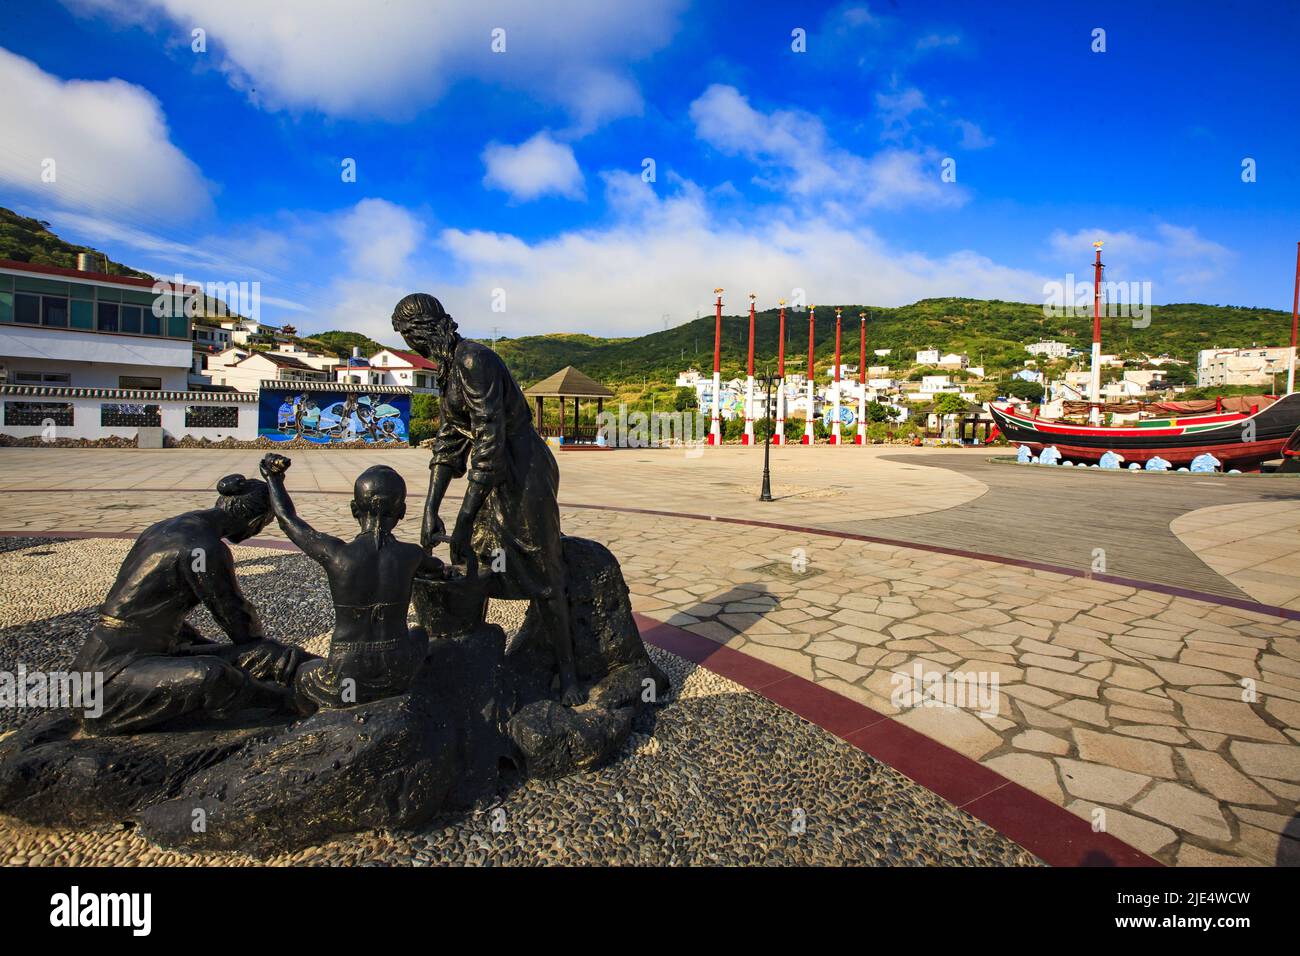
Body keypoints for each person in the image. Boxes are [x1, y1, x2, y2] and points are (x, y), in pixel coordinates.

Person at [391, 292, 586, 705]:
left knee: (542, 568)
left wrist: (463, 518)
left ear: (426, 328)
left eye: (410, 335)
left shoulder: (472, 360)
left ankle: (568, 671)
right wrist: (430, 509)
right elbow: (448, 443)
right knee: (471, 563)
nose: (411, 345)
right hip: (491, 475)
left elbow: (489, 440)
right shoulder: (446, 370)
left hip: (523, 469)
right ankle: (474, 663)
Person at [72, 474, 308, 735]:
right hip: (110, 675)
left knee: (264, 654)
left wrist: (202, 642)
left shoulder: (164, 527)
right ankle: (293, 701)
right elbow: (239, 625)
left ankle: (329, 681)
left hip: (155, 650)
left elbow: (144, 605)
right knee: (214, 674)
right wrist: (245, 646)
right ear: (255, 522)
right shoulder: (204, 549)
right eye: (264, 524)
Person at [259, 453, 443, 712]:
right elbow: (438, 569)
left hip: (346, 672)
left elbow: (289, 521)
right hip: (398, 668)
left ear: (354, 510)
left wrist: (273, 479)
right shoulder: (411, 555)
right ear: (401, 511)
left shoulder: (337, 555)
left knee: (302, 671)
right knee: (420, 633)